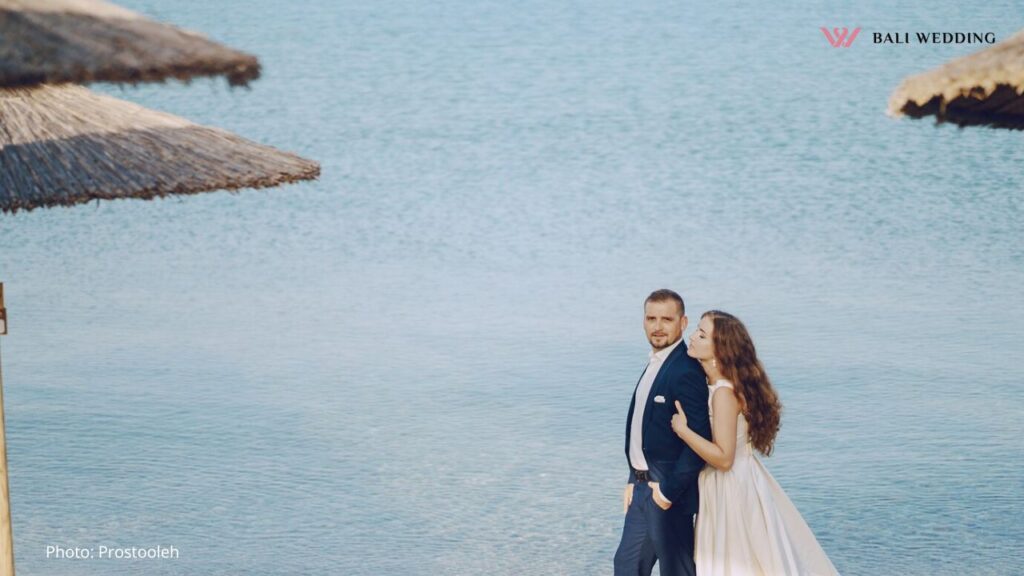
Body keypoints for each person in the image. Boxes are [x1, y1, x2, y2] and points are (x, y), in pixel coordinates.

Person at [671, 310, 839, 576]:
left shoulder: (724, 394)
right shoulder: (720, 387)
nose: (692, 336)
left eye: (702, 334)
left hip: (729, 488)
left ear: (720, 349)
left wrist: (683, 431)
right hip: (741, 480)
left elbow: (724, 459)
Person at [614, 289, 712, 576]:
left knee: (677, 571)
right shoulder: (657, 362)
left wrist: (668, 492)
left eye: (666, 319)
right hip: (642, 489)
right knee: (627, 566)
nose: (657, 326)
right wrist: (634, 476)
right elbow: (644, 429)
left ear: (683, 323)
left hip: (668, 492)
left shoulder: (685, 370)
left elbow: (699, 440)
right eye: (651, 318)